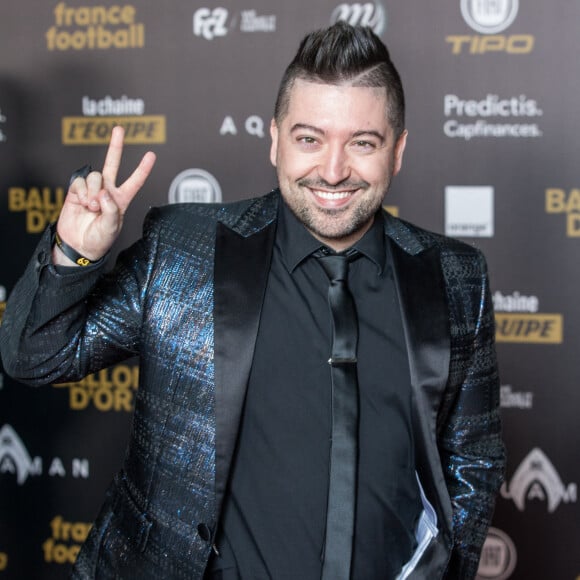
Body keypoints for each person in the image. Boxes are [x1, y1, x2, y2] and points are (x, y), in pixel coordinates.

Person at [0, 22, 505, 580]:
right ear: (274, 139)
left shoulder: (457, 277)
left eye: (362, 143)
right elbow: (34, 358)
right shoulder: (184, 252)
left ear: (399, 150)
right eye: (309, 139)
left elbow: (474, 457)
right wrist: (75, 254)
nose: (333, 170)